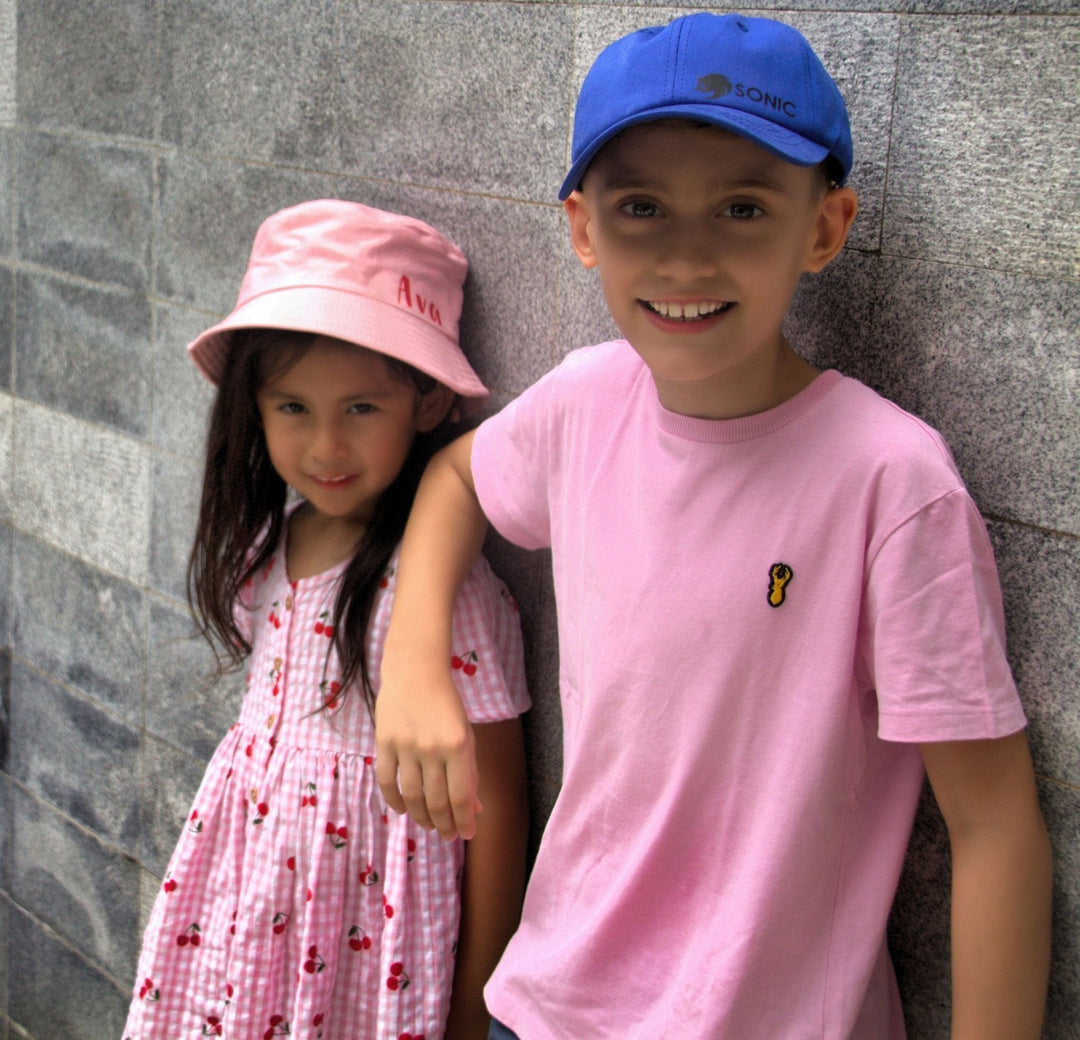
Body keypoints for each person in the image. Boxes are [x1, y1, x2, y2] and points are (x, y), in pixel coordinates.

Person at [374, 13, 1052, 1040]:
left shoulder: (889, 482)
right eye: (642, 206)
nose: (687, 257)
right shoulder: (581, 403)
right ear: (583, 228)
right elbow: (458, 477)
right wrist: (414, 662)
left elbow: (996, 824)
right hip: (548, 1004)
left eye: (741, 206)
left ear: (824, 227)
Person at [123, 200, 530, 1040]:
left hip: (365, 948)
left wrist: (473, 1015)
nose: (325, 449)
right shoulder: (266, 553)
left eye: (361, 409)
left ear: (424, 405)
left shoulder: (448, 597)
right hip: (244, 925)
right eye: (294, 409)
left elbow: (499, 818)